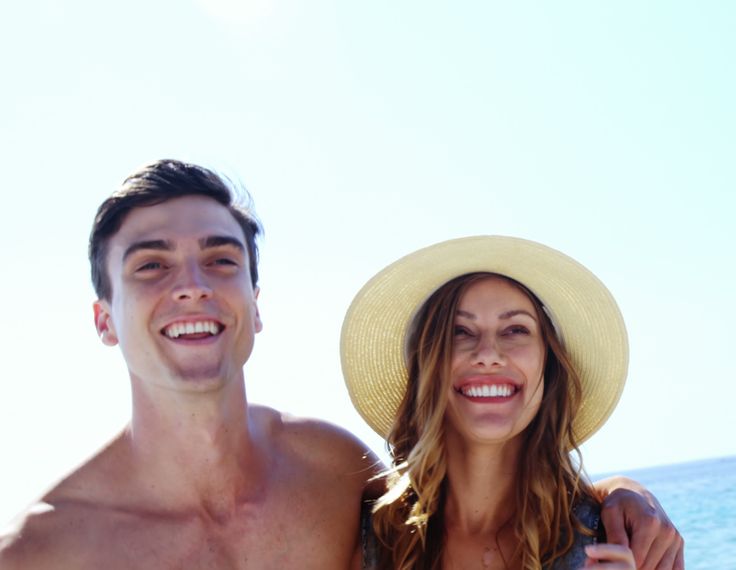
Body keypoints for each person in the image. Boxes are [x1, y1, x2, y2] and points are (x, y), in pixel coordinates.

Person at [0, 160, 682, 569]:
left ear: (255, 305)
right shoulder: (41, 551)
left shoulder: (331, 473)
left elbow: (464, 493)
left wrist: (620, 497)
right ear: (102, 320)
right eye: (150, 264)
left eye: (220, 260)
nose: (191, 286)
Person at [340, 236, 684, 569]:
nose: (488, 354)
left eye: (515, 330)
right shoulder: (370, 539)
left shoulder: (617, 538)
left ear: (547, 365)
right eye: (460, 331)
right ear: (426, 365)